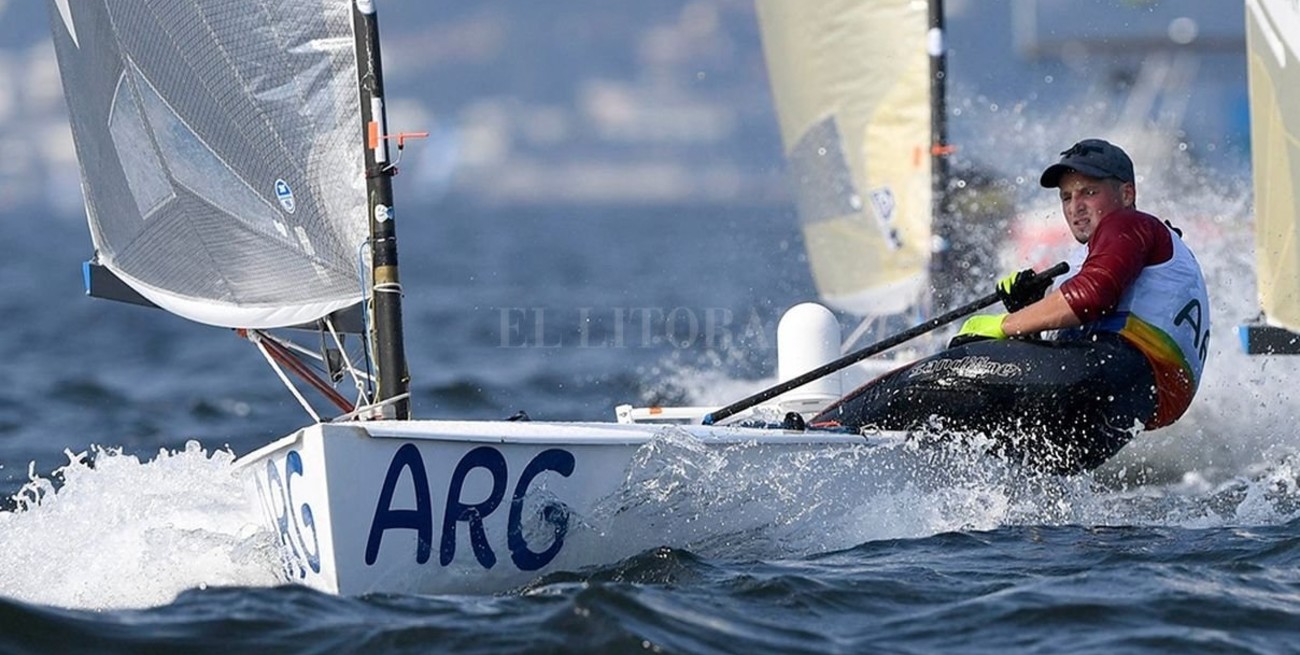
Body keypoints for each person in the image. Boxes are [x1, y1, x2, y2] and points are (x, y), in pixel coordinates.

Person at [811, 139, 1211, 474]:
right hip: (1121, 409)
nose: (1075, 206)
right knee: (987, 436)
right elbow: (1088, 327)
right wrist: (1032, 311)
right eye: (1067, 197)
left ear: (1127, 194)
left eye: (1089, 192)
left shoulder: (1128, 224)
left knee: (936, 373)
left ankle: (819, 434)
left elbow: (1093, 297)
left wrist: (1005, 325)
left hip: (1114, 379)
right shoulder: (1136, 247)